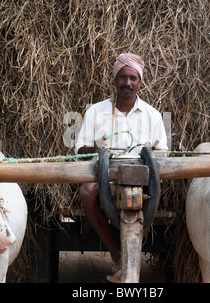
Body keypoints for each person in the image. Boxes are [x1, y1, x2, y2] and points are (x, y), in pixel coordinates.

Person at [75, 53, 168, 277]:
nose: (127, 83)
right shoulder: (95, 112)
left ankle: (130, 254)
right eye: (123, 77)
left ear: (139, 82)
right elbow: (79, 152)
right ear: (115, 80)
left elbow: (163, 154)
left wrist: (150, 152)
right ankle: (116, 254)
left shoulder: (152, 115)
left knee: (154, 193)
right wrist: (95, 148)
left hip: (141, 176)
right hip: (103, 175)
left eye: (133, 78)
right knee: (87, 192)